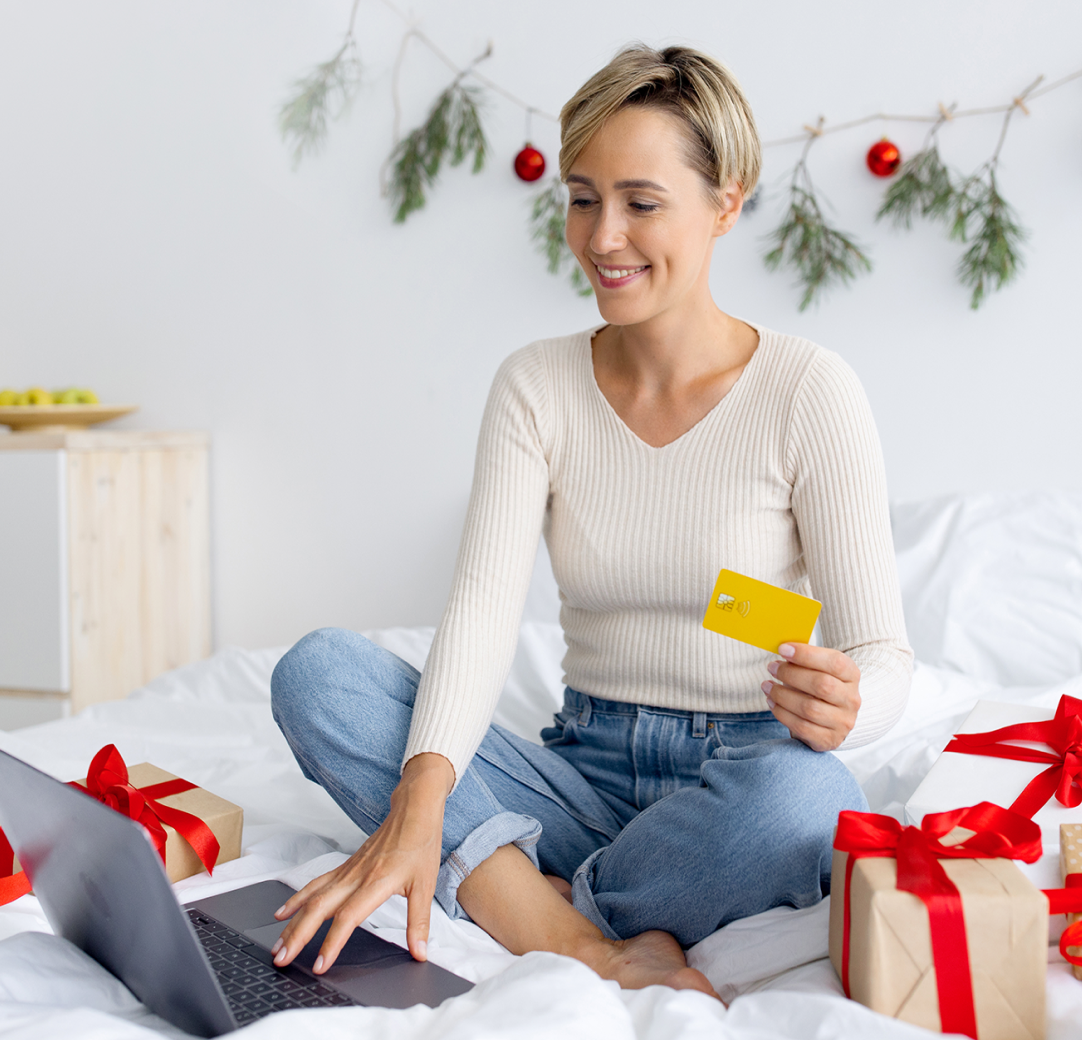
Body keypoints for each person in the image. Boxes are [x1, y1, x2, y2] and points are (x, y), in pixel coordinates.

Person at [266, 44, 913, 999]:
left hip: (734, 770)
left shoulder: (808, 391)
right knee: (320, 672)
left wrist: (857, 701)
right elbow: (484, 611)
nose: (603, 236)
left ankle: (520, 894)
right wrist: (423, 792)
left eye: (641, 203)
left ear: (725, 204)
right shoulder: (538, 385)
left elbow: (884, 651)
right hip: (576, 774)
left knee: (811, 799)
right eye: (582, 197)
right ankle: (582, 933)